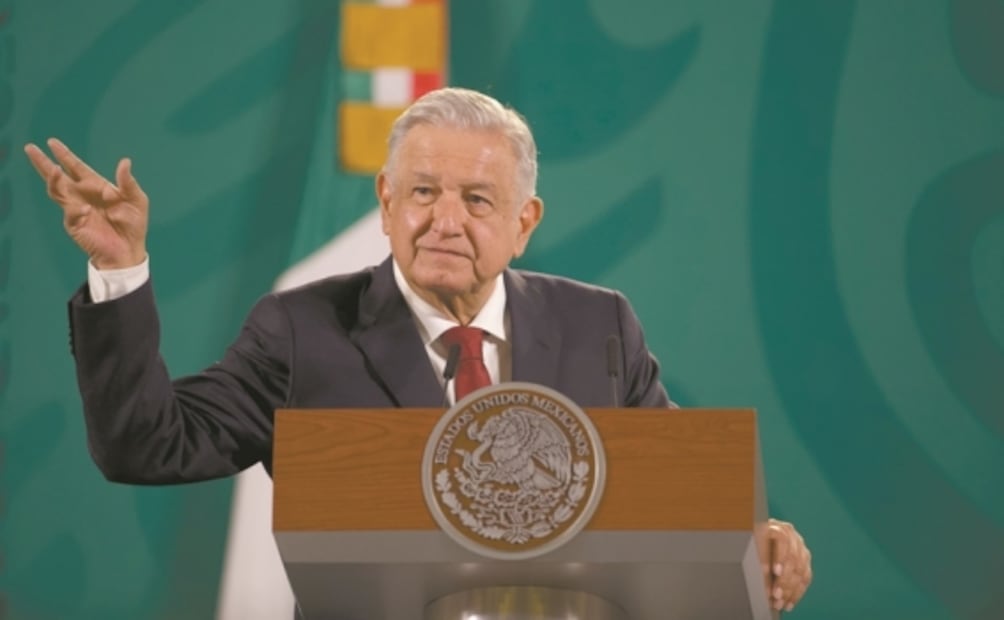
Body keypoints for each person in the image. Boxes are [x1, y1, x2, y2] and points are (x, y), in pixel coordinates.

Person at [25, 87, 812, 612]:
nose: (445, 221)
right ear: (386, 200)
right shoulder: (301, 328)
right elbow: (147, 444)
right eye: (424, 192)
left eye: (477, 199)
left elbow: (677, 501)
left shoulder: (598, 326)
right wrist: (120, 269)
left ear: (525, 222)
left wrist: (760, 541)